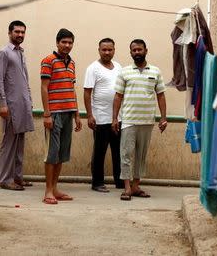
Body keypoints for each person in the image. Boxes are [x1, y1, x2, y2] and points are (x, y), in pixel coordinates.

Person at [112, 39, 167, 201]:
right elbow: (118, 96)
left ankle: (136, 186)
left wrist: (163, 117)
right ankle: (127, 188)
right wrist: (114, 118)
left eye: (139, 50)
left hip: (147, 120)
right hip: (129, 120)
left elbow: (161, 95)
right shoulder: (124, 72)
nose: (137, 52)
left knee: (141, 156)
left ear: (146, 50)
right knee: (126, 154)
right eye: (134, 50)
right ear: (130, 52)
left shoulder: (155, 71)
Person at [40, 28, 82, 204]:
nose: (67, 45)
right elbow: (44, 88)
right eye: (64, 42)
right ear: (57, 43)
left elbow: (72, 90)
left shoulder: (71, 63)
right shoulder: (48, 61)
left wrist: (77, 115)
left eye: (70, 42)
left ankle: (55, 188)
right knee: (51, 154)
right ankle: (48, 191)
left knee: (62, 153)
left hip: (68, 113)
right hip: (54, 114)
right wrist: (47, 114)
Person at [0, 20, 34, 191]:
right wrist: (3, 104)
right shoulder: (4, 53)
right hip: (10, 106)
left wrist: (29, 101)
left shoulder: (20, 53)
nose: (20, 35)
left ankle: (17, 178)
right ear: (9, 32)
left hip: (23, 105)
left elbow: (24, 80)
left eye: (22, 32)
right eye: (17, 31)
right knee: (9, 144)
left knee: (19, 144)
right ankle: (5, 179)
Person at [84, 38, 125, 192]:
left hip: (117, 118)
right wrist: (89, 115)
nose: (107, 52)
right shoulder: (93, 68)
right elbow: (87, 93)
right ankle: (97, 183)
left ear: (114, 50)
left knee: (118, 151)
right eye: (104, 50)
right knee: (100, 152)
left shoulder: (119, 67)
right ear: (99, 50)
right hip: (100, 118)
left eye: (110, 50)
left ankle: (119, 181)